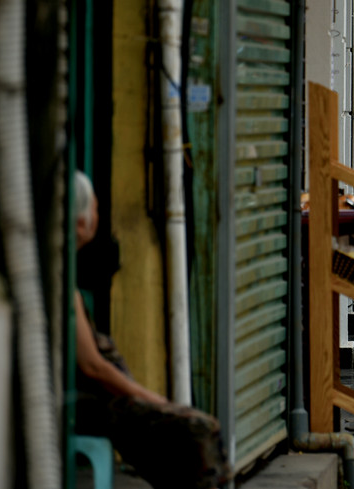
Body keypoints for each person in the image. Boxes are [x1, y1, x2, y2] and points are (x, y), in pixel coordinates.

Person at [72, 172, 231, 489]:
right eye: (96, 210)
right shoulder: (61, 284)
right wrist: (152, 398)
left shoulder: (64, 277)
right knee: (199, 430)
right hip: (92, 404)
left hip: (105, 400)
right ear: (80, 222)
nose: (98, 218)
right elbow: (93, 367)